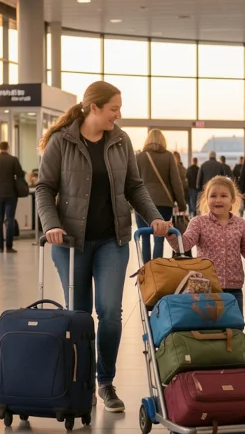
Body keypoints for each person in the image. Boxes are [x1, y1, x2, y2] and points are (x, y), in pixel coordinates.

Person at [37, 81, 168, 413]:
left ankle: (105, 382)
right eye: (114, 109)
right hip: (70, 243)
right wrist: (50, 224)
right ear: (93, 108)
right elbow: (44, 188)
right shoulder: (61, 141)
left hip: (113, 239)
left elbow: (135, 187)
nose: (118, 115)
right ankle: (80, 380)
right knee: (80, 315)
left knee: (110, 313)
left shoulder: (120, 140)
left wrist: (154, 218)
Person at [167, 176, 245, 312]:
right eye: (213, 196)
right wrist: (171, 236)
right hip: (204, 287)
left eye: (223, 196)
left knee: (234, 328)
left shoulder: (241, 224)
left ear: (232, 200)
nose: (218, 200)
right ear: (207, 199)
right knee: (206, 329)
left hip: (233, 289)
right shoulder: (198, 222)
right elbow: (184, 245)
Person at [135, 130, 186, 262]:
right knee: (159, 238)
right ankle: (157, 270)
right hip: (164, 203)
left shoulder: (140, 157)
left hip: (142, 203)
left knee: (144, 239)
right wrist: (181, 204)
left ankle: (146, 271)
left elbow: (132, 182)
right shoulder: (169, 156)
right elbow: (176, 182)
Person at [0, 141, 25, 253]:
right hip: (11, 193)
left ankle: (0, 246)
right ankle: (9, 246)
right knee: (10, 219)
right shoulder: (13, 160)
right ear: (8, 148)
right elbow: (20, 175)